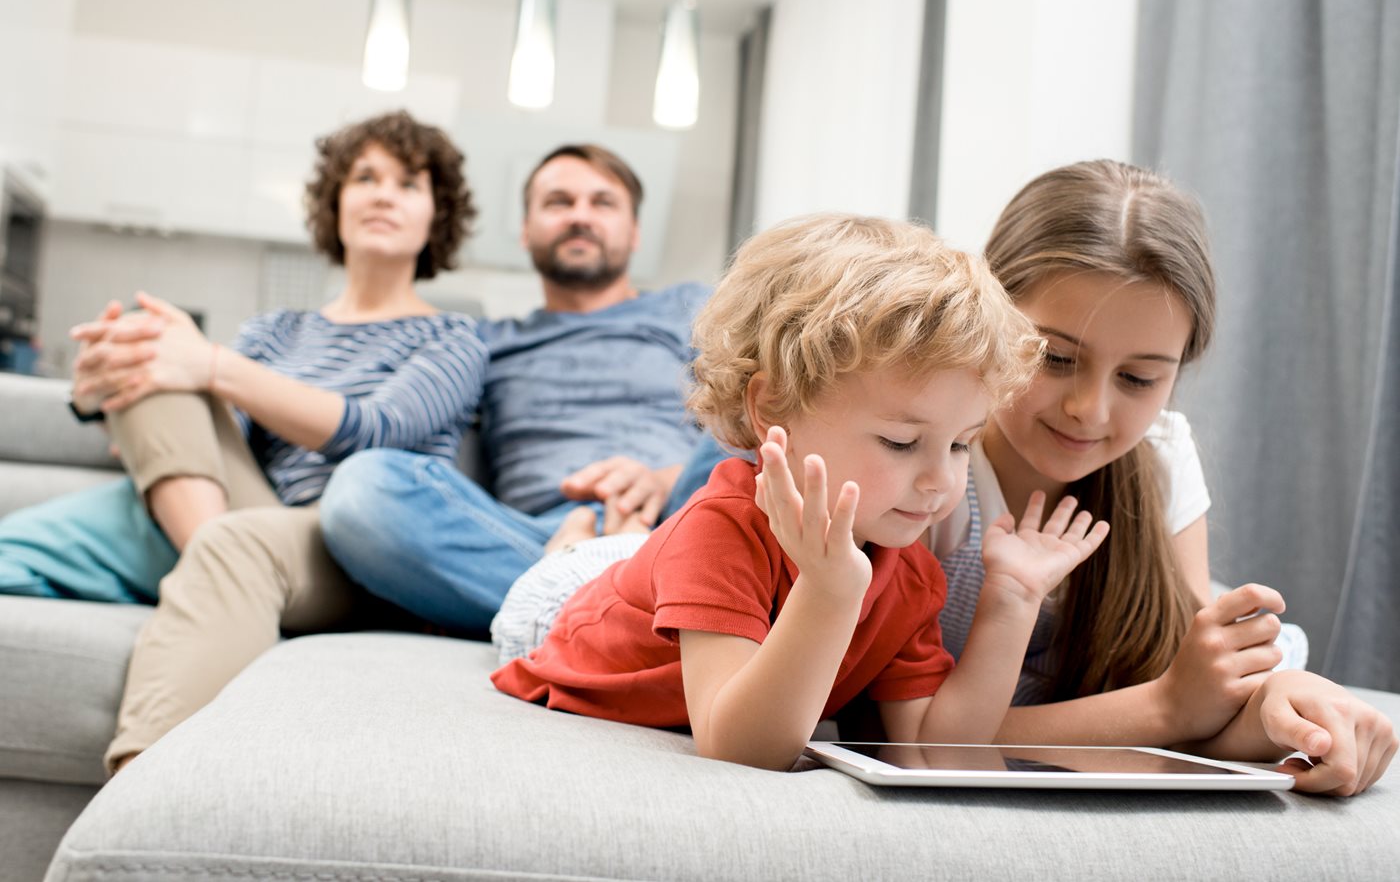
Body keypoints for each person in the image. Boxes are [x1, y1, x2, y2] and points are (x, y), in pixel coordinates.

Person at [495, 160, 1397, 795]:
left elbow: (945, 742)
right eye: (1055, 357)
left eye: (1139, 378)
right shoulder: (883, 496)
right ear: (1001, 334)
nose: (1090, 411)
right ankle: (570, 531)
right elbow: (752, 738)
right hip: (590, 601)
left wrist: (1289, 705)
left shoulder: (914, 528)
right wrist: (832, 584)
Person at [492, 213, 1114, 771]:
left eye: (960, 444)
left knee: (639, 554)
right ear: (771, 410)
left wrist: (1013, 600)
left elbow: (935, 749)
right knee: (581, 569)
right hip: (552, 618)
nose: (940, 481)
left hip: (659, 583)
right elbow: (741, 748)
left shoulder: (911, 573)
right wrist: (830, 590)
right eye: (901, 442)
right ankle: (573, 547)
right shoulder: (723, 531)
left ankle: (620, 543)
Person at [1, 110, 489, 772]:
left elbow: (374, 431)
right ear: (334, 203)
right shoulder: (275, 331)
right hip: (249, 516)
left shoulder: (453, 338)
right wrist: (102, 386)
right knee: (156, 343)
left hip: (352, 543)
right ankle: (219, 565)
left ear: (437, 215)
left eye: (407, 183)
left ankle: (141, 792)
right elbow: (213, 431)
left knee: (186, 373)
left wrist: (210, 365)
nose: (381, 193)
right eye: (364, 177)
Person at [317, 144, 710, 633]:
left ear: (634, 233)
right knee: (361, 491)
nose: (580, 216)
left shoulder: (692, 307)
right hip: (536, 539)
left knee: (773, 399)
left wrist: (664, 480)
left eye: (602, 202)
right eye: (558, 202)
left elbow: (750, 427)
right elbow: (384, 410)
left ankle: (571, 606)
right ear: (526, 231)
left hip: (683, 518)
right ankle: (629, 608)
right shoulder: (481, 342)